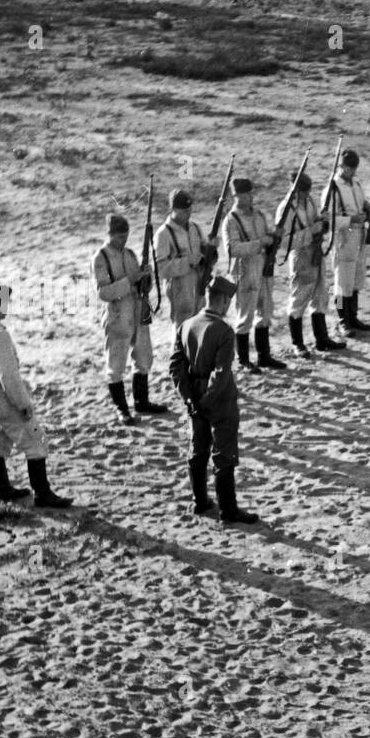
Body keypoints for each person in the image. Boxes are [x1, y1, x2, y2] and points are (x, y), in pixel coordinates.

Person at [0, 285, 72, 508]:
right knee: (36, 439)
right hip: (1, 392)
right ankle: (42, 493)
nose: (6, 307)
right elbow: (9, 377)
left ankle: (2, 488)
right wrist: (23, 404)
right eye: (3, 302)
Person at [168, 276, 257, 524]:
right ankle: (228, 510)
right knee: (224, 453)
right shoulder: (224, 331)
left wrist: (189, 400)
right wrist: (207, 400)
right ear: (225, 301)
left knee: (197, 451)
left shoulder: (186, 325)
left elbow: (176, 367)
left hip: (194, 398)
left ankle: (200, 501)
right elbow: (221, 372)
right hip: (219, 400)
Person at [93, 213, 166, 423]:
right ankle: (121, 409)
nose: (123, 240)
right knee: (116, 364)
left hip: (138, 310)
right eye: (119, 237)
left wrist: (146, 276)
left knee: (144, 357)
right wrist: (130, 280)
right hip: (118, 315)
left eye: (125, 236)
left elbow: (144, 287)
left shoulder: (131, 254)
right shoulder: (101, 258)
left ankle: (142, 402)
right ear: (109, 234)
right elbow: (104, 292)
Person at [221, 177, 285, 373]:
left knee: (265, 311)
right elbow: (232, 249)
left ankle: (264, 356)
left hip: (263, 268)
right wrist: (261, 242)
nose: (250, 197)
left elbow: (269, 241)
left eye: (250, 193)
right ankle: (243, 359)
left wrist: (275, 238)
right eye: (245, 194)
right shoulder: (231, 220)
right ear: (236, 196)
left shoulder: (258, 215)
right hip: (244, 271)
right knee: (245, 315)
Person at [277, 171, 344, 354]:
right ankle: (297, 343)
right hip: (300, 256)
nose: (305, 194)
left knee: (321, 296)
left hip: (316, 253)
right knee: (299, 299)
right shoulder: (286, 209)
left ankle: (322, 339)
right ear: (294, 188)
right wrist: (311, 231)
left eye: (306, 191)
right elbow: (284, 242)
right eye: (301, 191)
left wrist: (323, 223)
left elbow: (318, 224)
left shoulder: (311, 201)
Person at [328, 149, 370, 338]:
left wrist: (369, 206)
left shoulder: (355, 183)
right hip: (343, 238)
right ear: (341, 166)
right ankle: (341, 319)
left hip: (359, 236)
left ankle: (352, 316)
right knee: (340, 284)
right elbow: (328, 219)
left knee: (356, 279)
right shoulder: (333, 188)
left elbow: (361, 201)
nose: (352, 171)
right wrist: (351, 220)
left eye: (354, 168)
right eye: (348, 167)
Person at [153, 189, 208, 329]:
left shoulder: (195, 228)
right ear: (172, 209)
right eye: (183, 211)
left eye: (189, 210)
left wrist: (210, 251)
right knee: (182, 329)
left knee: (200, 327)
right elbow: (161, 270)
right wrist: (187, 261)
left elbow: (205, 254)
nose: (188, 214)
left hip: (199, 282)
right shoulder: (163, 234)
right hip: (179, 287)